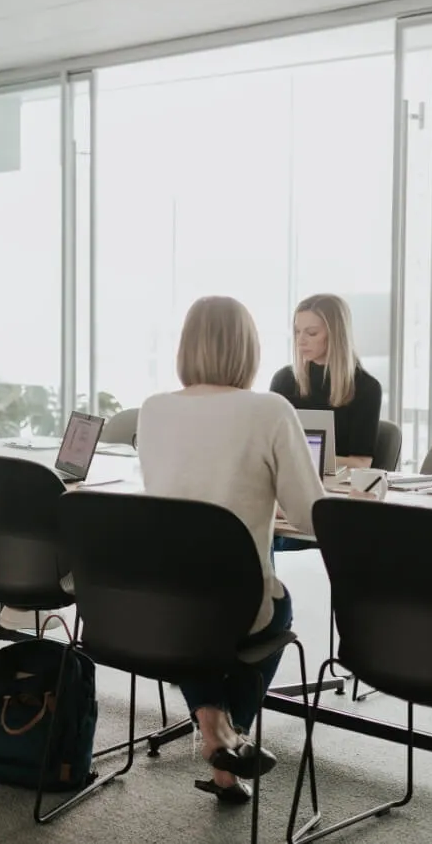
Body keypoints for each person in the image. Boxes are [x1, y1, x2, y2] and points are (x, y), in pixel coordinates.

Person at [136, 296, 324, 804]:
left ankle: (214, 728)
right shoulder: (269, 410)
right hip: (238, 604)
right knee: (276, 605)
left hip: (161, 603)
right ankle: (227, 731)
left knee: (194, 621)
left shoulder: (152, 410)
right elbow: (311, 515)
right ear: (249, 350)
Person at [270, 293, 383, 470]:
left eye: (312, 333)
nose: (301, 340)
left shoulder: (366, 387)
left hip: (337, 489)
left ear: (335, 334)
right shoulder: (284, 380)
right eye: (297, 332)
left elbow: (361, 463)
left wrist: (302, 459)